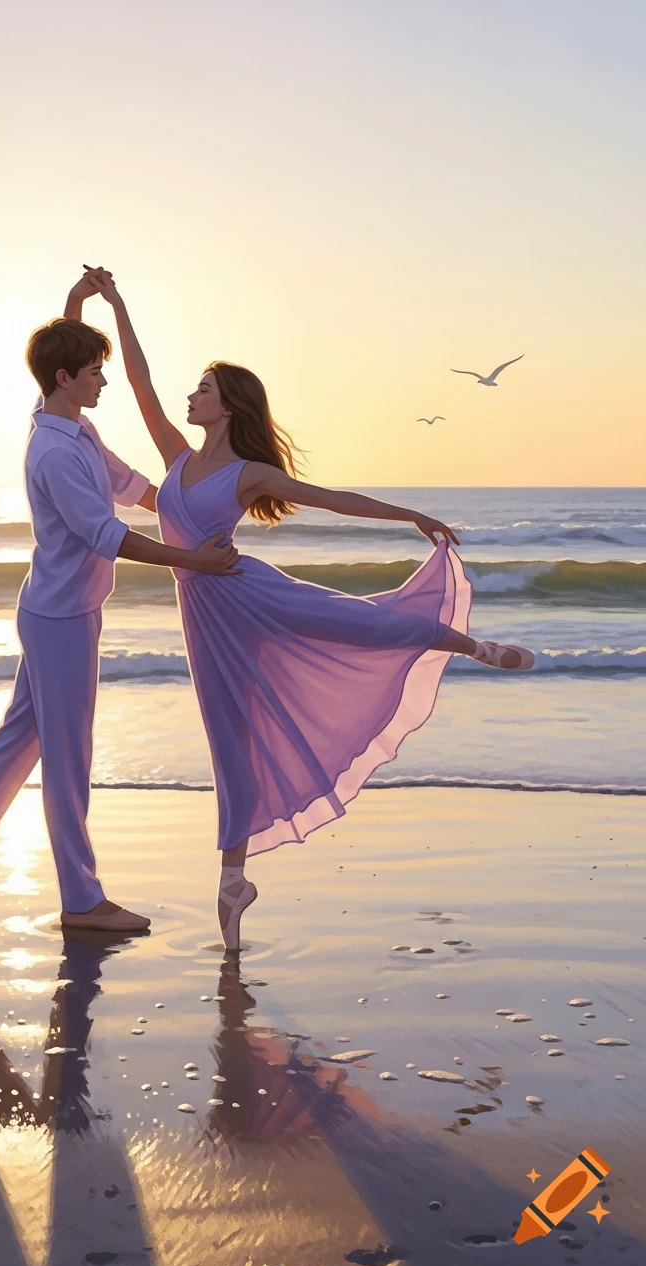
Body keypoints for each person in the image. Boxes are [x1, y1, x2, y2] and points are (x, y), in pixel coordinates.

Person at [86, 267, 536, 950]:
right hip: (207, 627)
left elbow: (336, 499)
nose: (190, 395)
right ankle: (234, 882)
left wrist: (408, 513)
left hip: (252, 597)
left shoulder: (250, 474)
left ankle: (471, 646)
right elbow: (141, 383)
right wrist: (116, 304)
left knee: (364, 622)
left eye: (203, 388)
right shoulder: (175, 460)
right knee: (227, 745)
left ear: (228, 404)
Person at [0, 270, 240, 934]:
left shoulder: (72, 426)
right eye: (92, 372)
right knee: (68, 759)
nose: (102, 381)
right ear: (64, 380)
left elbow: (131, 483)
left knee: (14, 746)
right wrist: (193, 558)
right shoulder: (53, 452)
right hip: (62, 620)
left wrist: (80, 306)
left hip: (55, 610)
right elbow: (105, 534)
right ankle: (81, 900)